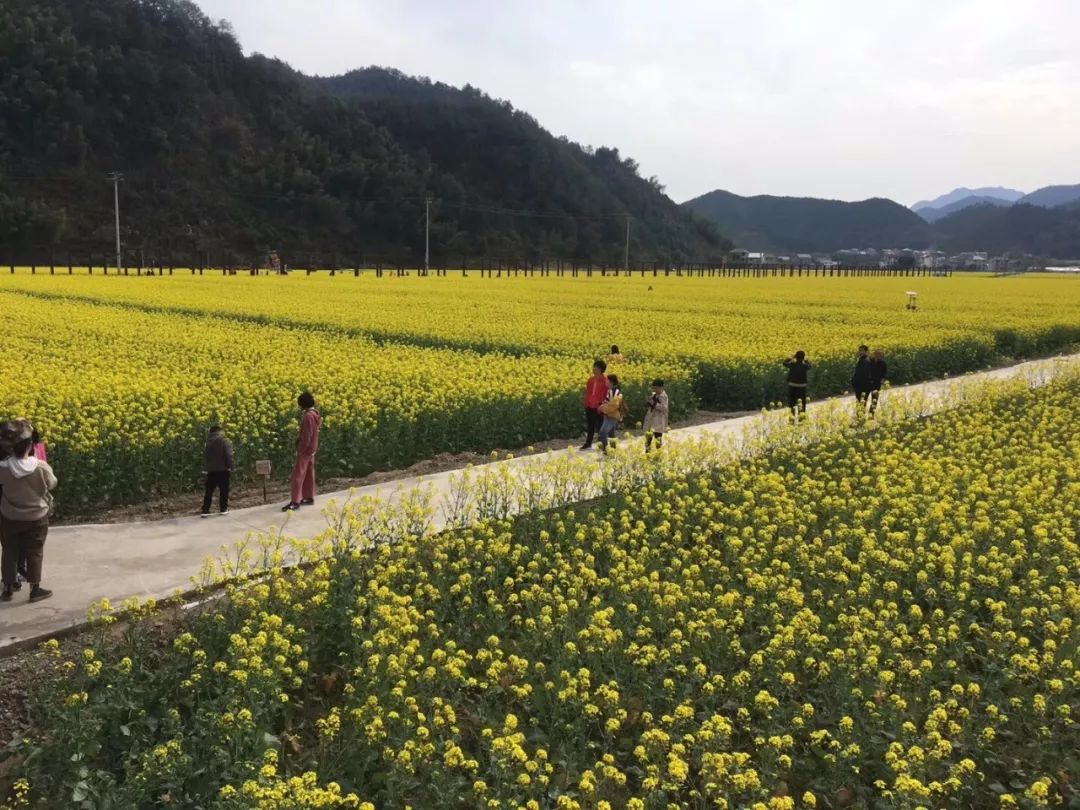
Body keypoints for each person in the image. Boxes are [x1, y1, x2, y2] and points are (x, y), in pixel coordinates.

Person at [0, 419, 56, 603]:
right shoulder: (40, 467)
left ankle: (8, 588)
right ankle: (35, 589)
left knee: (9, 551)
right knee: (35, 551)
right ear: (31, 445)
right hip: (36, 517)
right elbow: (52, 483)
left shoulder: (3, 468)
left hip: (10, 517)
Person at [282, 392, 322, 512]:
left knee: (298, 475)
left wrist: (300, 448)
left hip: (306, 449)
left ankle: (295, 501)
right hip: (312, 449)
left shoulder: (308, 416)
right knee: (309, 472)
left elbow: (307, 435)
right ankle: (309, 496)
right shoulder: (316, 414)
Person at [202, 425, 234, 516]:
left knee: (209, 491)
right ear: (219, 431)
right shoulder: (223, 441)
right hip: (223, 470)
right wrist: (231, 467)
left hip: (211, 470)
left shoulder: (207, 442)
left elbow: (207, 457)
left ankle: (205, 510)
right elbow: (229, 455)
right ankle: (223, 509)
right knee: (224, 490)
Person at [580, 360, 609, 450]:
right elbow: (588, 392)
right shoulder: (591, 380)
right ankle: (588, 443)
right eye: (594, 367)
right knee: (590, 425)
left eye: (595, 367)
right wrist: (585, 401)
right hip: (589, 405)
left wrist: (604, 405)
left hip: (599, 406)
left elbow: (607, 394)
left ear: (600, 369)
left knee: (600, 426)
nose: (594, 369)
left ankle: (602, 444)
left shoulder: (605, 381)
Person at [597, 374, 625, 454]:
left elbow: (613, 406)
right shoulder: (611, 390)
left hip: (612, 415)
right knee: (611, 433)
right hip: (609, 415)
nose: (606, 382)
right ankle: (613, 450)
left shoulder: (614, 391)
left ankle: (606, 450)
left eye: (607, 380)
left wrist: (602, 408)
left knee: (602, 432)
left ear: (611, 382)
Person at [782, 351, 811, 419]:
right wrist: (806, 360)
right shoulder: (805, 366)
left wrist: (791, 358)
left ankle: (792, 418)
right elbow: (810, 365)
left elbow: (784, 363)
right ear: (803, 358)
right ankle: (802, 418)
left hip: (792, 386)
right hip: (802, 386)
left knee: (792, 403)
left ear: (796, 357)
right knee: (802, 403)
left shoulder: (792, 364)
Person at [643, 379, 669, 453]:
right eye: (654, 388)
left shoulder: (664, 396)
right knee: (648, 439)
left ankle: (658, 455)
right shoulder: (654, 395)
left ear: (662, 387)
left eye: (657, 388)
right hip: (651, 420)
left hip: (658, 421)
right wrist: (649, 402)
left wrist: (654, 403)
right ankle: (647, 454)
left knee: (658, 439)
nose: (655, 390)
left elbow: (664, 408)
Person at [851, 344, 873, 415]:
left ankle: (860, 419)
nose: (860, 352)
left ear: (866, 351)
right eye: (860, 350)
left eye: (862, 351)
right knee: (860, 403)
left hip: (863, 386)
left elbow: (863, 374)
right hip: (860, 385)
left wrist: (855, 383)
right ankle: (860, 418)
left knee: (861, 402)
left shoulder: (866, 361)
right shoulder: (862, 359)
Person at [868, 349, 888, 416]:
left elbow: (884, 373)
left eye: (880, 354)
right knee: (863, 397)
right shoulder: (870, 361)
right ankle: (860, 414)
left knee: (874, 398)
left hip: (877, 383)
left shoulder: (882, 363)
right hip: (868, 382)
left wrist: (882, 380)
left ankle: (871, 413)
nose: (879, 355)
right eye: (877, 354)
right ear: (874, 354)